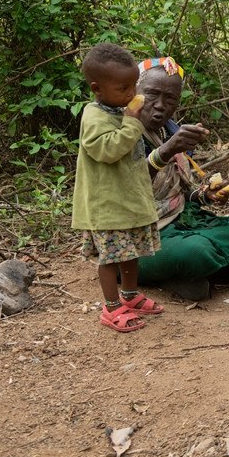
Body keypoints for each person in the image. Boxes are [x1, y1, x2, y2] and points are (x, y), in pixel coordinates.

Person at [133, 57, 229, 301]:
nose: (160, 105)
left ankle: (187, 272)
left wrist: (203, 195)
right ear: (134, 92)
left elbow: (173, 193)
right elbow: (127, 187)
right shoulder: (120, 133)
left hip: (181, 222)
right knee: (195, 252)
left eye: (170, 98)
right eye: (151, 94)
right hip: (138, 237)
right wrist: (167, 150)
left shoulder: (169, 129)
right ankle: (182, 269)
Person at [72, 43, 164, 333]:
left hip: (128, 203)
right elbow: (108, 150)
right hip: (107, 206)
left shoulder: (121, 111)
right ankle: (111, 307)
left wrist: (130, 119)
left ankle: (130, 294)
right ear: (97, 88)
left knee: (130, 252)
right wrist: (132, 124)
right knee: (110, 258)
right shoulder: (94, 117)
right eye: (123, 88)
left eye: (133, 86)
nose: (131, 94)